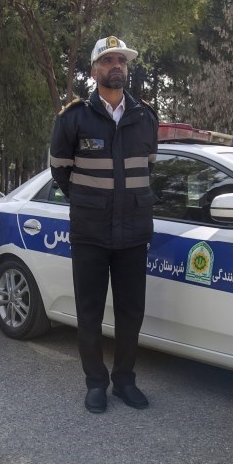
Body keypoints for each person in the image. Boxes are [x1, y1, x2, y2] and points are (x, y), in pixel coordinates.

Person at [49, 35, 159, 413]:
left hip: (132, 233)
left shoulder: (145, 116)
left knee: (131, 313)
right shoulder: (73, 117)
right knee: (90, 313)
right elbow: (60, 171)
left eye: (122, 61)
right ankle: (95, 382)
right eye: (109, 60)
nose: (117, 66)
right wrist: (88, 201)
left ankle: (124, 381)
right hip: (90, 234)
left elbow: (149, 168)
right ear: (95, 70)